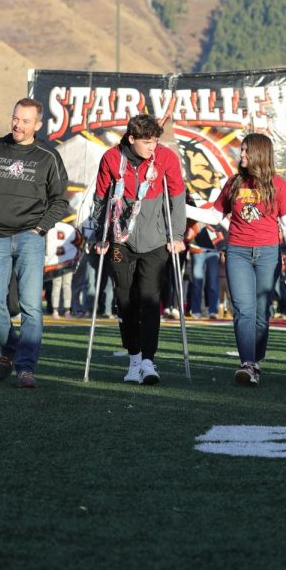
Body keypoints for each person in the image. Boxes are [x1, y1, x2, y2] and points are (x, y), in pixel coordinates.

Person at [0, 98, 69, 388]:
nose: (17, 124)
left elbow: (61, 201)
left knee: (31, 306)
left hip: (29, 237)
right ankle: (9, 348)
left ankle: (25, 367)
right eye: (15, 118)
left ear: (37, 124)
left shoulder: (48, 156)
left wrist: (40, 228)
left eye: (24, 120)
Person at [93, 113, 186, 385]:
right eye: (147, 142)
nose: (152, 147)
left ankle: (148, 361)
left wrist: (177, 235)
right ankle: (133, 358)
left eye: (156, 140)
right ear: (131, 139)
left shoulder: (166, 157)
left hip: (156, 240)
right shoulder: (111, 158)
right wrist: (100, 235)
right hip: (121, 240)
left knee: (148, 298)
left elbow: (177, 197)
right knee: (125, 300)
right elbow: (101, 198)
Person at [217, 132, 286, 386]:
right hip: (237, 251)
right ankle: (248, 363)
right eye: (241, 150)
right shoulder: (233, 183)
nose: (241, 154)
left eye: (245, 150)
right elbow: (214, 214)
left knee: (262, 313)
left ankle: (255, 359)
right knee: (244, 310)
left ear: (259, 154)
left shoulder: (278, 185)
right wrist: (179, 206)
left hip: (268, 253)